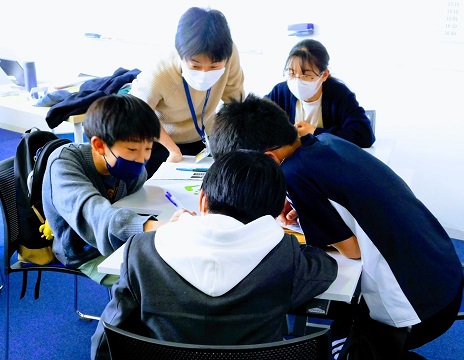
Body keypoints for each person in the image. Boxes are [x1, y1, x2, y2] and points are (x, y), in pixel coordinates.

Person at [208, 93, 463, 360]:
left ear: (269, 159)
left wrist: (312, 221)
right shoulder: (325, 142)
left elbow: (352, 250)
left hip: (418, 307)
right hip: (444, 271)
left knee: (340, 346)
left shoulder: (294, 174)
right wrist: (309, 210)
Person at [90, 150, 338, 360]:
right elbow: (325, 267)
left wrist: (183, 226)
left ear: (202, 200)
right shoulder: (285, 257)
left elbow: (110, 333)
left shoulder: (141, 251)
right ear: (273, 215)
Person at [42, 93, 165, 286]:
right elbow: (95, 212)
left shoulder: (124, 164)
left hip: (120, 237)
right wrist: (148, 226)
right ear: (99, 145)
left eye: (148, 149)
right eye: (132, 150)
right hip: (83, 250)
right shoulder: (64, 163)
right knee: (156, 281)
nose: (142, 159)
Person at [130, 6, 245, 178]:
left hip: (203, 137)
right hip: (161, 141)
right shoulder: (160, 72)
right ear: (181, 54)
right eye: (196, 66)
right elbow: (139, 113)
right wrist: (172, 149)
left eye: (214, 66)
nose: (204, 72)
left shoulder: (228, 53)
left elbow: (235, 100)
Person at [266, 39, 375, 148]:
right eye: (291, 73)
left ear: (324, 75)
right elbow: (256, 121)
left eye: (306, 75)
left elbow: (364, 136)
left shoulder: (339, 94)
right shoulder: (280, 92)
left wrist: (315, 132)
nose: (297, 81)